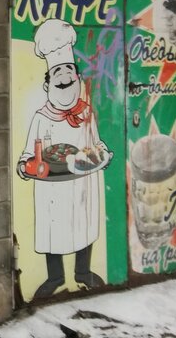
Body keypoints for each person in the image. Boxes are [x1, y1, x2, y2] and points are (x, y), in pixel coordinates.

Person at [17, 19, 111, 299]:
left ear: (78, 79)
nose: (65, 78)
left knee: (84, 225)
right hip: (51, 188)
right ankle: (55, 277)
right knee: (53, 231)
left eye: (70, 72)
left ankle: (83, 272)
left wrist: (102, 154)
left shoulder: (86, 112)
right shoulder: (41, 118)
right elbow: (28, 152)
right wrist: (24, 165)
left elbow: (96, 144)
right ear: (48, 85)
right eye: (58, 73)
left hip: (83, 184)